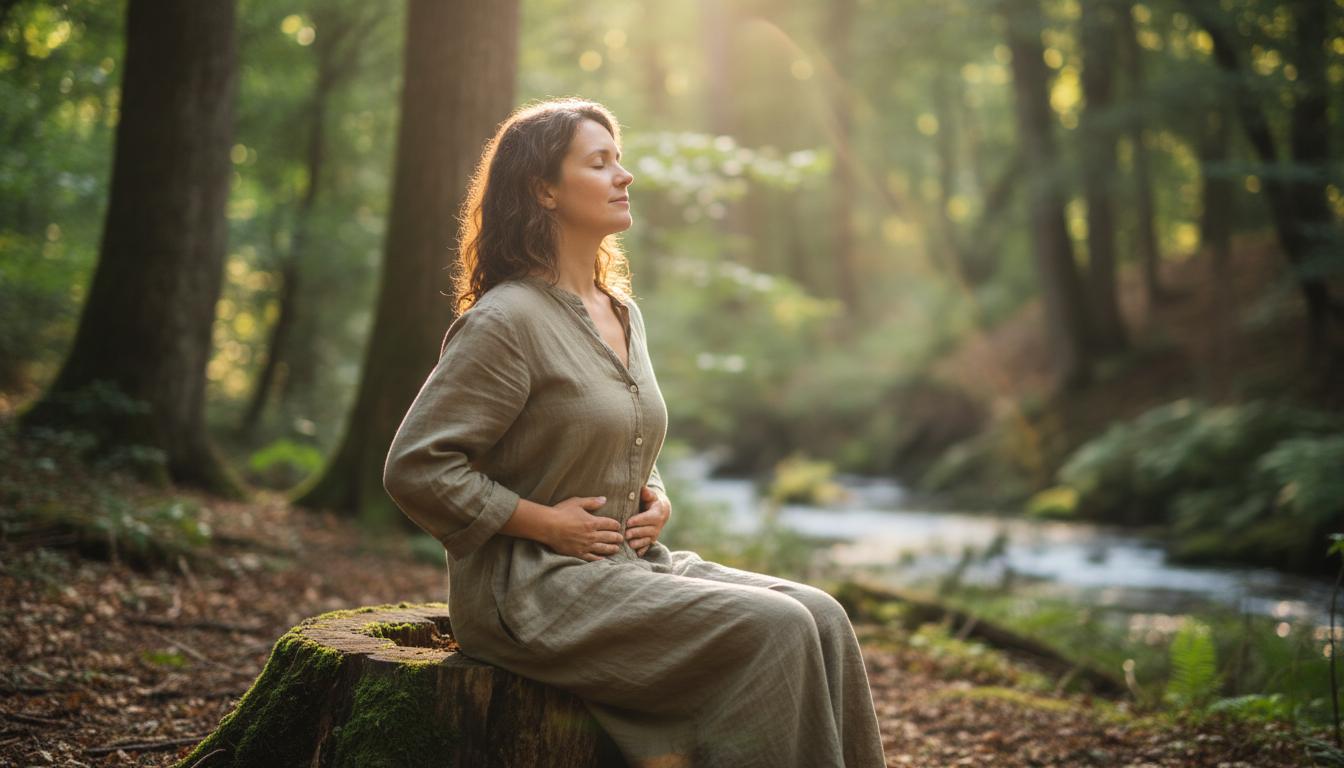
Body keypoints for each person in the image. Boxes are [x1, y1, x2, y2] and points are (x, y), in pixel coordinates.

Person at [383, 97, 886, 768]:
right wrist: (541, 523)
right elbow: (416, 466)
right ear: (544, 190)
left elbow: (624, 435)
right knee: (780, 629)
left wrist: (655, 495)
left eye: (619, 159)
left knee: (822, 614)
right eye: (599, 163)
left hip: (627, 567)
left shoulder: (620, 312)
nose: (624, 176)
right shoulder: (506, 323)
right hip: (530, 591)